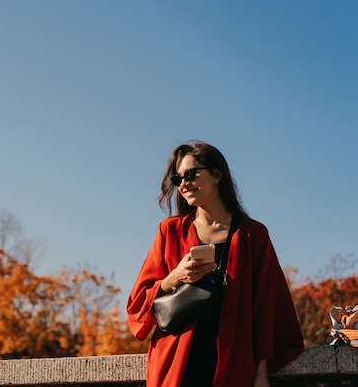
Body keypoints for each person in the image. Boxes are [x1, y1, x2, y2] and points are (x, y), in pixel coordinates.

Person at [127, 141, 304, 387]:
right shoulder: (170, 231)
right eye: (178, 180)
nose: (184, 184)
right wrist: (175, 276)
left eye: (190, 174)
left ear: (217, 174)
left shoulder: (253, 235)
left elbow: (267, 305)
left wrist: (262, 370)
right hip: (175, 362)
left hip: (232, 362)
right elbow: (137, 304)